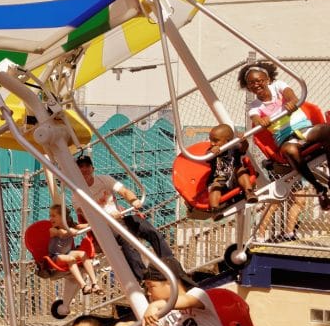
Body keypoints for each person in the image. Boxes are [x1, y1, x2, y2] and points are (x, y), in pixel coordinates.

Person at [74, 154, 183, 283]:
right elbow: (88, 215)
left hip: (119, 219)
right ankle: (142, 277)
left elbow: (124, 191)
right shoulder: (77, 194)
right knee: (128, 239)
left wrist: (134, 200)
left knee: (147, 228)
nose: (84, 169)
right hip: (104, 227)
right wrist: (107, 217)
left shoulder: (104, 180)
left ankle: (169, 261)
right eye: (81, 167)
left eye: (87, 166)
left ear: (93, 168)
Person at [238, 61, 330, 210]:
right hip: (286, 138)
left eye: (259, 81)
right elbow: (255, 118)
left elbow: (290, 95)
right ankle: (319, 187)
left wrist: (292, 102)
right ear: (248, 86)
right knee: (290, 151)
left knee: (326, 131)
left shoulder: (278, 86)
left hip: (304, 129)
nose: (256, 85)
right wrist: (261, 121)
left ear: (267, 80)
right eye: (251, 83)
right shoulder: (254, 106)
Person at [47, 204, 99, 294]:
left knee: (82, 254)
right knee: (70, 259)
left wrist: (95, 223)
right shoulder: (53, 230)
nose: (50, 219)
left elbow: (81, 226)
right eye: (50, 216)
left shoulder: (70, 226)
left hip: (67, 253)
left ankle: (94, 283)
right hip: (55, 257)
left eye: (53, 216)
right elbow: (62, 233)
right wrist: (70, 231)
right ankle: (84, 286)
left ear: (63, 217)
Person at [206, 124, 257, 209]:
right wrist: (211, 152)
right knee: (215, 187)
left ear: (228, 141)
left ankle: (249, 192)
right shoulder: (212, 151)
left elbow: (243, 148)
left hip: (235, 180)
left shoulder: (234, 147)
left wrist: (243, 141)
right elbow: (206, 157)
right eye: (210, 140)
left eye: (216, 140)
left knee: (240, 170)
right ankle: (214, 208)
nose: (212, 143)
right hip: (218, 180)